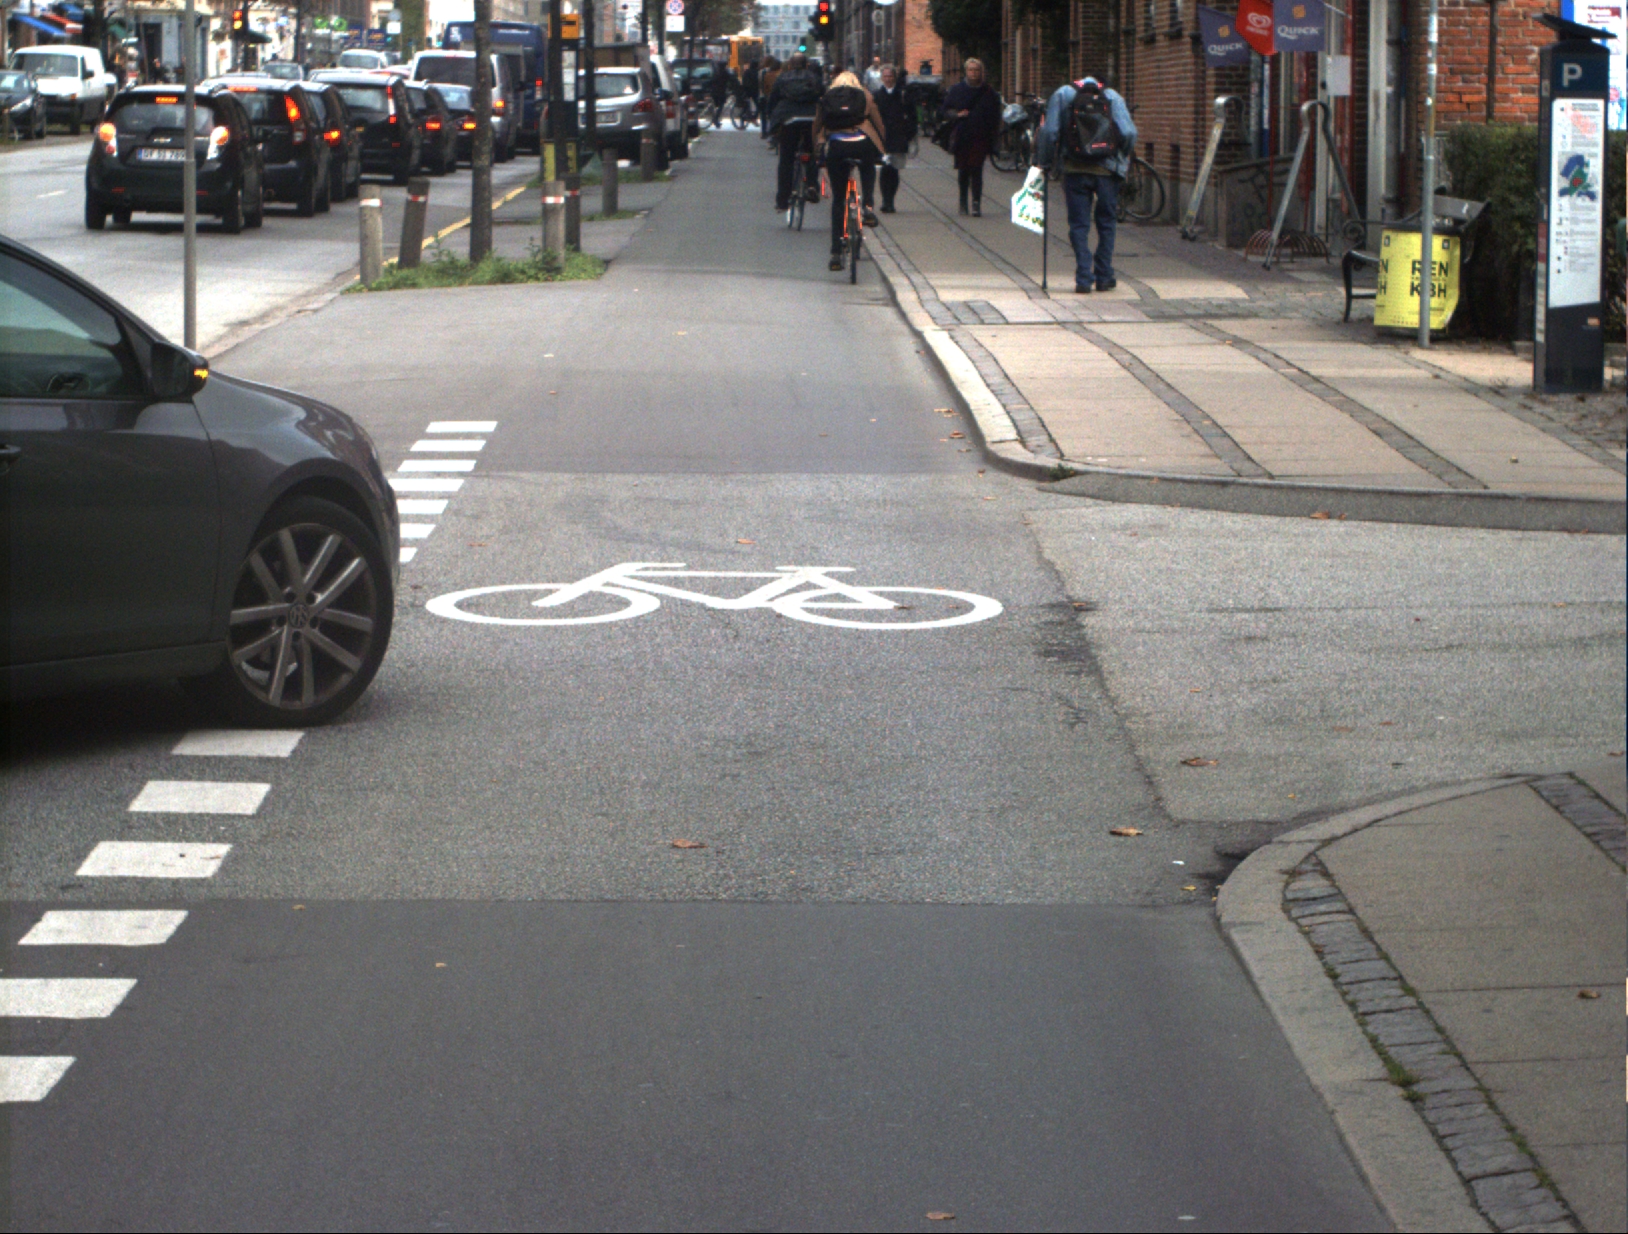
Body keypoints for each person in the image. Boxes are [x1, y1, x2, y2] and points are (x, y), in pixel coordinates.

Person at [1033, 74, 1137, 293]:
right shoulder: (1112, 96)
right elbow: (1129, 132)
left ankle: (1083, 277)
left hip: (1075, 168)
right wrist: (1121, 158)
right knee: (1106, 222)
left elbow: (1050, 132)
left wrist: (1045, 162)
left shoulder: (1063, 94)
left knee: (1079, 224)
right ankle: (1104, 275)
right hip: (1107, 170)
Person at [813, 69, 885, 270]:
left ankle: (836, 253)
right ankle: (867, 207)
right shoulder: (865, 95)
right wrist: (883, 146)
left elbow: (817, 125)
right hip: (862, 144)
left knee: (839, 199)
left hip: (837, 147)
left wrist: (816, 149)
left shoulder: (828, 97)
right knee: (868, 168)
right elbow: (878, 123)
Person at [940, 58, 999, 216]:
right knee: (963, 170)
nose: (974, 73)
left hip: (980, 136)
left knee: (977, 169)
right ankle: (963, 201)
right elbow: (945, 110)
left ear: (981, 72)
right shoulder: (957, 90)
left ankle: (976, 203)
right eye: (971, 70)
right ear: (966, 71)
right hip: (963, 134)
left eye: (977, 70)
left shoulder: (988, 92)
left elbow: (995, 115)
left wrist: (994, 136)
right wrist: (957, 115)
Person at [767, 52, 824, 210]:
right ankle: (812, 185)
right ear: (807, 65)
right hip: (810, 119)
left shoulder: (782, 78)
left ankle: (782, 200)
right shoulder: (814, 78)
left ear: (790, 65)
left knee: (786, 160)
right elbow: (822, 95)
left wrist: (773, 118)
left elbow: (773, 99)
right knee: (811, 152)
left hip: (789, 119)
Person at [872, 64, 914, 213]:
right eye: (885, 76)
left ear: (894, 77)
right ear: (882, 78)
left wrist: (909, 134)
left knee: (894, 169)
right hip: (882, 137)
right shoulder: (877, 96)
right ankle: (885, 200)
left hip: (898, 136)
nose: (888, 79)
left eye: (890, 76)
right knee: (885, 169)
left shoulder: (902, 95)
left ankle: (891, 200)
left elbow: (912, 116)